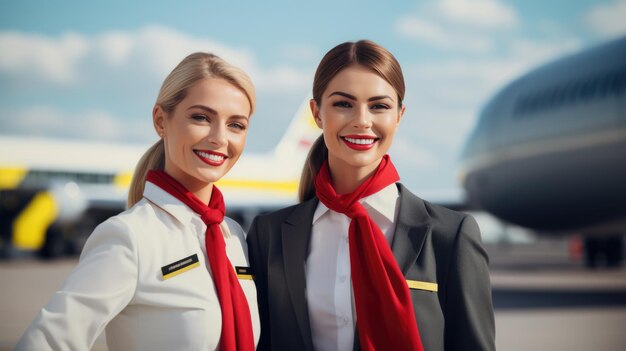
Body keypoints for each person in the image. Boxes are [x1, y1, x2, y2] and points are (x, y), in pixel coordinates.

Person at [246, 40, 495, 351]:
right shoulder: (269, 235)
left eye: (379, 105)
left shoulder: (450, 235)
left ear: (399, 115)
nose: (362, 120)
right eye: (343, 104)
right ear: (317, 113)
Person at [16, 52, 260, 351]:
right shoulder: (129, 237)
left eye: (236, 125)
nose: (220, 138)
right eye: (201, 117)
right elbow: (47, 342)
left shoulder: (235, 237)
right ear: (161, 120)